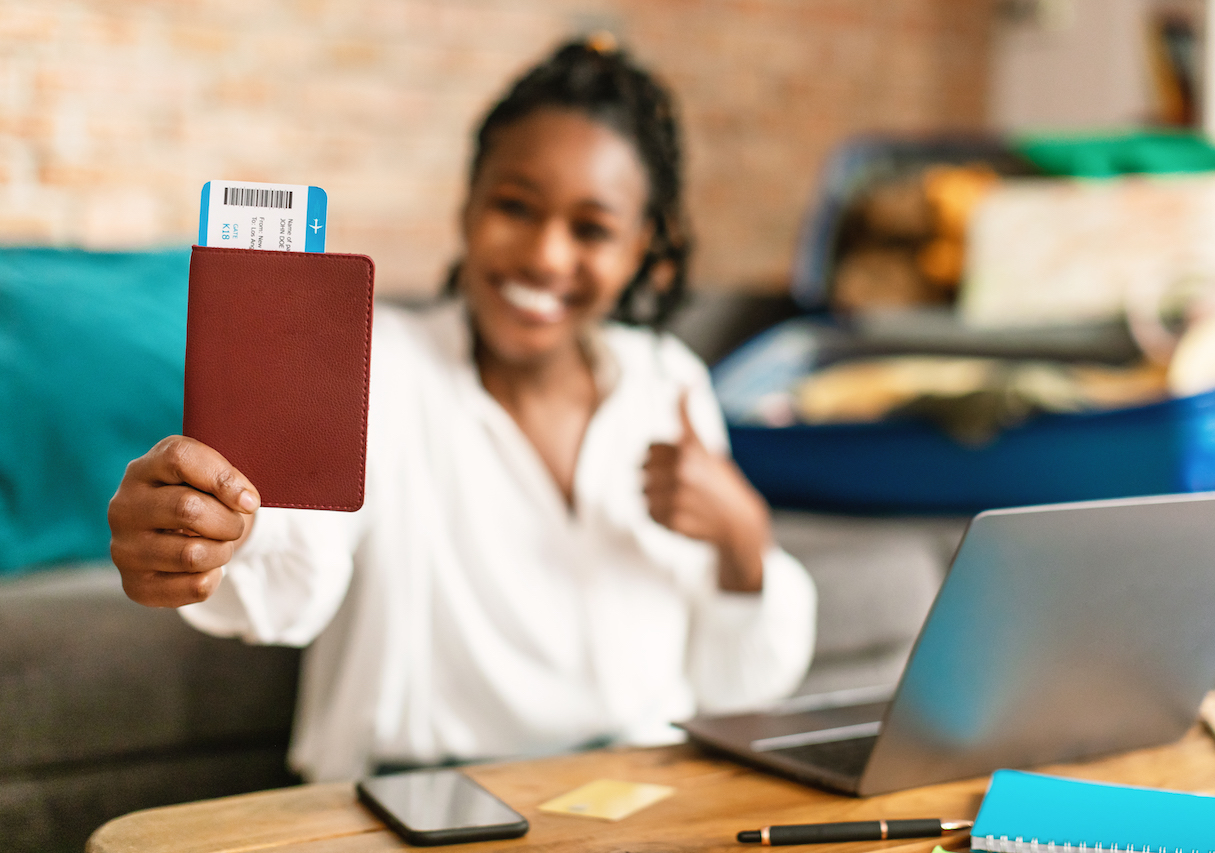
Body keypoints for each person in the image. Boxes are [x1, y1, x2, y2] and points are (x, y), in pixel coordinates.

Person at [107, 39, 815, 782]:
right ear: (468, 205)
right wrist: (215, 535)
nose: (545, 254)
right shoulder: (386, 365)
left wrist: (743, 537)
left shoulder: (666, 382)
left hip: (634, 793)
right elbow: (293, 574)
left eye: (592, 229)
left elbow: (736, 689)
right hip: (423, 797)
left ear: (641, 249)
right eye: (515, 206)